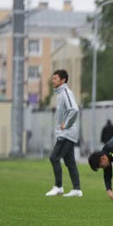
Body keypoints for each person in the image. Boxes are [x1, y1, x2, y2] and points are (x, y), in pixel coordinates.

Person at [45, 69, 82, 198]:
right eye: (53, 78)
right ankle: (77, 189)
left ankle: (58, 187)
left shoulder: (65, 92)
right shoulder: (60, 93)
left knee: (54, 158)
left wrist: (65, 124)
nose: (52, 80)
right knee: (70, 162)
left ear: (63, 80)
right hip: (65, 134)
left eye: (55, 78)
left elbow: (74, 109)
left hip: (67, 133)